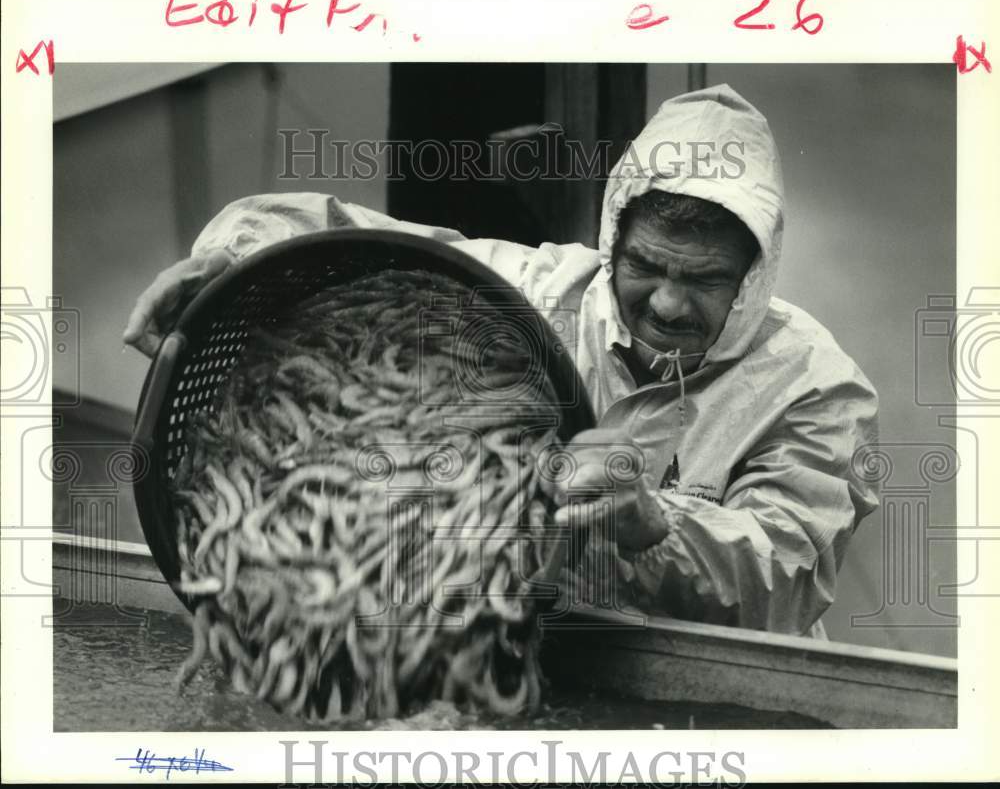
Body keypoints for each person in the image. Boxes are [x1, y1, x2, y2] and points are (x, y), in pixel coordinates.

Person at [124, 84, 879, 638]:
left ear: (754, 275)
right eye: (648, 265)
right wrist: (225, 263)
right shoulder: (544, 295)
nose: (670, 304)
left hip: (704, 696)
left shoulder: (815, 389)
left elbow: (782, 578)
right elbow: (359, 243)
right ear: (612, 239)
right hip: (501, 646)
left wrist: (654, 523)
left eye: (706, 279)